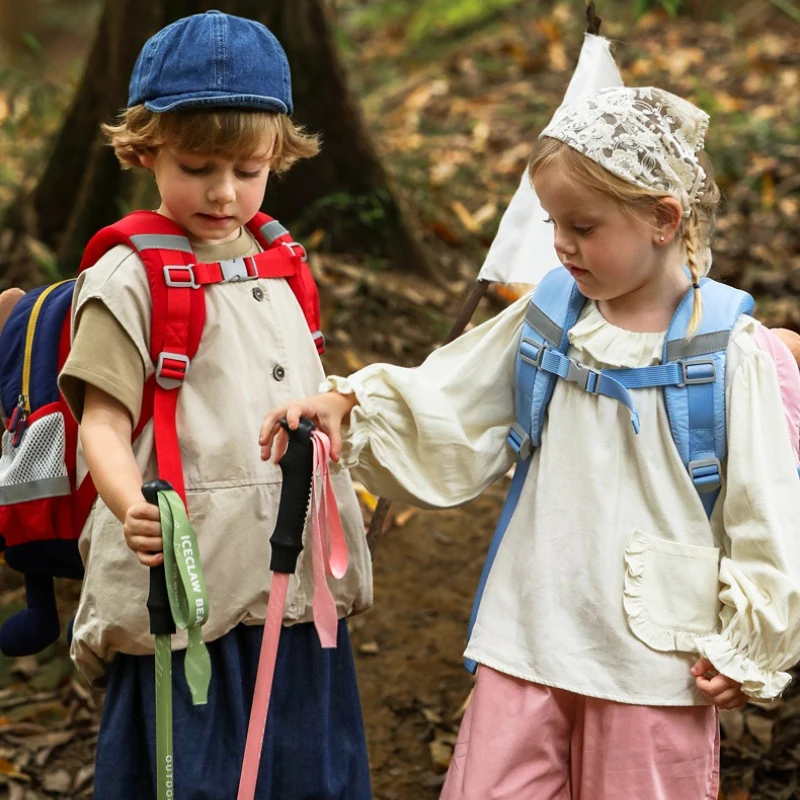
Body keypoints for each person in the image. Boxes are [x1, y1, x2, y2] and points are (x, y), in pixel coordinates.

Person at [259, 87, 800, 799]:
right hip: (530, 633)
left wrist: (749, 641)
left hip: (654, 661)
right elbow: (454, 394)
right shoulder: (552, 317)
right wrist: (350, 404)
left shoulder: (730, 353)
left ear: (664, 219)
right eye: (554, 223)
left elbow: (766, 510)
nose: (562, 244)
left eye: (584, 226)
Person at [58, 11, 372, 800]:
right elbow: (101, 419)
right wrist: (130, 506)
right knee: (192, 775)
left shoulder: (281, 262)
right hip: (187, 592)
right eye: (197, 166)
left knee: (308, 771)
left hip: (293, 586)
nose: (224, 192)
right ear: (144, 149)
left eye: (248, 169)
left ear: (278, 157)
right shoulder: (129, 278)